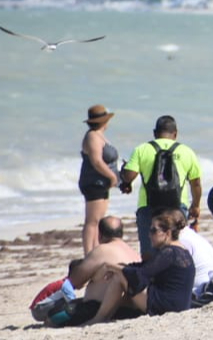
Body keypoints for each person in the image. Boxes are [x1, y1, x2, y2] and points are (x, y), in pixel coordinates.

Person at [86, 208, 196, 325]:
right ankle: (106, 316)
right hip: (178, 305)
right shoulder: (180, 250)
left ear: (167, 234)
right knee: (124, 275)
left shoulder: (169, 252)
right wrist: (120, 266)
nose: (149, 235)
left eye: (153, 230)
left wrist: (112, 267)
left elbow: (140, 274)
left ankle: (99, 318)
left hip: (167, 306)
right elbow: (145, 267)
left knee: (120, 277)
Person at [119, 115, 203, 259]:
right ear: (175, 134)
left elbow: (129, 176)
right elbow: (195, 183)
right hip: (177, 207)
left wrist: (124, 174)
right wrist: (195, 205)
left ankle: (151, 273)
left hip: (148, 206)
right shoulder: (187, 152)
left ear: (155, 133)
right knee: (176, 249)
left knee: (148, 253)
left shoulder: (142, 149)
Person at [78, 104, 120, 255]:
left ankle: (95, 250)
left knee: (98, 220)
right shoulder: (92, 136)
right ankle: (89, 253)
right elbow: (96, 161)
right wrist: (112, 176)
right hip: (94, 182)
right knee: (92, 221)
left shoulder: (98, 135)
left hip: (101, 183)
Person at [68, 216, 140, 291]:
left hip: (104, 298)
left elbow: (74, 281)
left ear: (99, 236)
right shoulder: (134, 253)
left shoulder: (101, 251)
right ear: (121, 234)